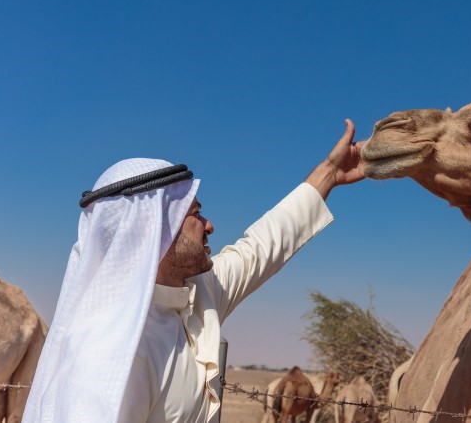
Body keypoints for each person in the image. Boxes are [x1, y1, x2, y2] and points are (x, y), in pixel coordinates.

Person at [24, 120, 365, 423]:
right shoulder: (109, 355)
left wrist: (330, 173)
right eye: (196, 214)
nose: (209, 225)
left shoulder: (198, 293)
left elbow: (261, 247)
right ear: (155, 229)